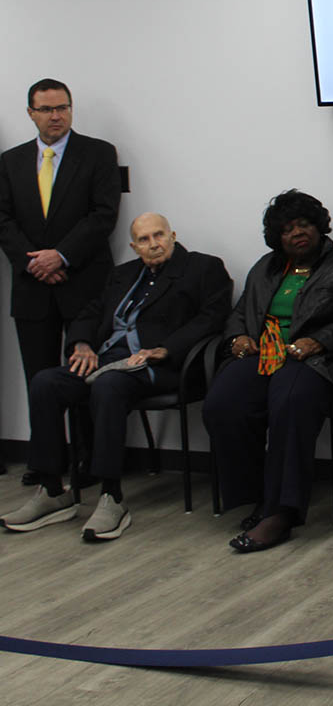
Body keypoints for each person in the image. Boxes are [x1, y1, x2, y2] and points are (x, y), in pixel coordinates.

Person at [0, 213, 232, 541]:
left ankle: (112, 497)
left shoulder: (203, 268)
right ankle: (52, 490)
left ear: (173, 235)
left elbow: (212, 317)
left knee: (109, 385)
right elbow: (91, 311)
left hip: (160, 366)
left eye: (159, 235)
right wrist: (81, 343)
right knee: (46, 382)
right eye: (145, 240)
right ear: (134, 246)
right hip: (108, 360)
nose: (154, 244)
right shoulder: (122, 274)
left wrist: (164, 349)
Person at [204, 191, 333, 553]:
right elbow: (240, 312)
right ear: (277, 238)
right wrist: (236, 337)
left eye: (303, 224)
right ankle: (258, 497)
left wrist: (321, 339)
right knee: (223, 404)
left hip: (316, 362)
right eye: (287, 229)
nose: (297, 233)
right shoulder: (265, 268)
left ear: (318, 226)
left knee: (289, 402)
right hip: (263, 356)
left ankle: (280, 513)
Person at [0, 79, 121, 483]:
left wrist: (61, 255)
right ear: (31, 112)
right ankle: (46, 461)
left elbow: (103, 215)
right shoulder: (10, 161)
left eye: (63, 107)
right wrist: (35, 261)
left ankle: (88, 459)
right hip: (32, 285)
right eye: (47, 109)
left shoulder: (98, 154)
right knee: (38, 377)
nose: (57, 116)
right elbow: (4, 220)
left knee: (84, 371)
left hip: (83, 282)